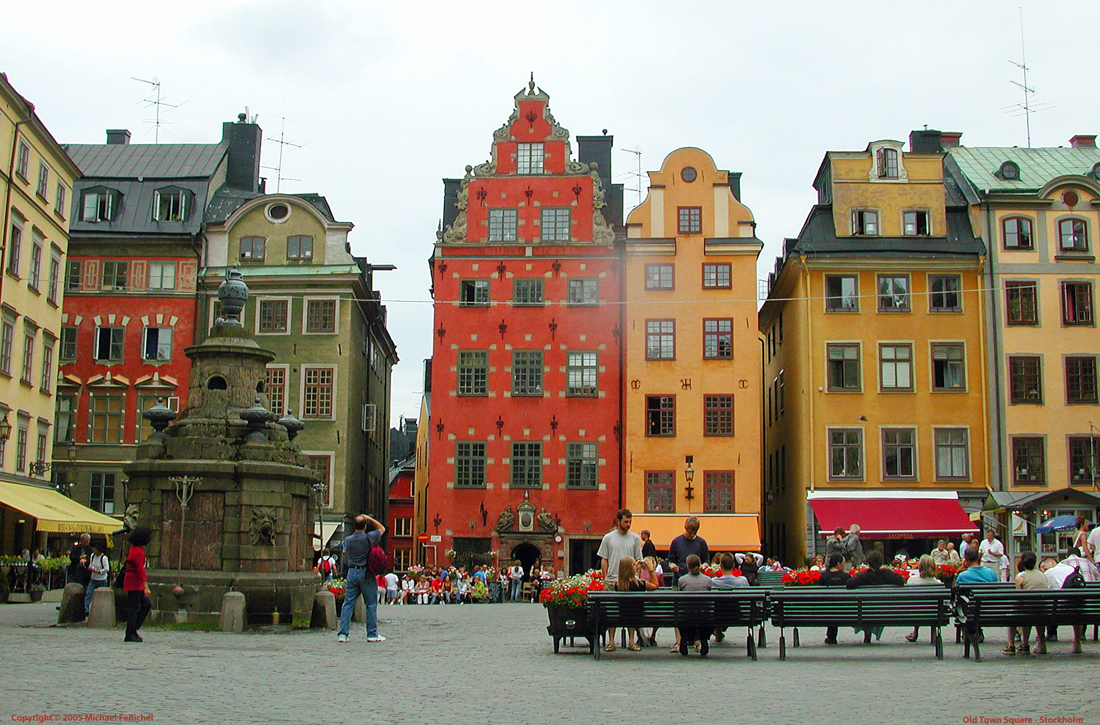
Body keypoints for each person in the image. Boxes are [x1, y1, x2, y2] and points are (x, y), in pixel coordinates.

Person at [334, 513, 387, 643]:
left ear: (353, 526)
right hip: (366, 573)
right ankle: (372, 634)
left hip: (352, 572)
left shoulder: (348, 540)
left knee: (348, 604)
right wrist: (369, 519)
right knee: (370, 604)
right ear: (364, 527)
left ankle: (343, 634)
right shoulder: (369, 538)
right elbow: (382, 528)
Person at [846, 550, 905, 641]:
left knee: (865, 608)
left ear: (868, 562)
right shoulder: (886, 574)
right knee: (874, 607)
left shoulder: (864, 576)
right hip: (882, 609)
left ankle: (867, 633)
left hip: (866, 610)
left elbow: (849, 584)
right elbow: (900, 581)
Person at [604, 556, 659, 653]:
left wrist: (634, 567)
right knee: (632, 612)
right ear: (631, 569)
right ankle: (631, 641)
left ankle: (611, 642)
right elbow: (655, 585)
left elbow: (627, 579)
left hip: (619, 616)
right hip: (637, 617)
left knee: (615, 612)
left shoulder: (617, 585)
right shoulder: (640, 584)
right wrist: (651, 570)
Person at [1004, 551, 1047, 656]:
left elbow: (1019, 598)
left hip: (1026, 611)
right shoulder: (1042, 575)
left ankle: (1011, 645)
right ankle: (1041, 643)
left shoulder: (1021, 576)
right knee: (1035, 614)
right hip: (1042, 610)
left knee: (1017, 614)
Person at [676, 554, 712, 656]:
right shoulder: (708, 580)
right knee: (704, 613)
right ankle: (703, 638)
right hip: (704, 617)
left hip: (686, 617)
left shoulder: (682, 580)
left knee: (684, 613)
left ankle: (684, 638)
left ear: (688, 566)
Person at [597, 509, 642, 588]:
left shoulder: (636, 538)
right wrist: (605, 577)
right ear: (618, 521)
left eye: (630, 522)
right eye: (626, 522)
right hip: (612, 580)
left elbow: (638, 560)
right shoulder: (608, 538)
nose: (628, 524)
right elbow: (604, 559)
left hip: (630, 581)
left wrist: (636, 578)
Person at [904, 555, 944, 643]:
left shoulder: (912, 581)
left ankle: (915, 631)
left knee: (917, 606)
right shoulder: (938, 584)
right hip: (934, 614)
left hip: (914, 613)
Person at [122, 527, 153, 643]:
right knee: (136, 608)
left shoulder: (133, 549)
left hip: (131, 579)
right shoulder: (139, 552)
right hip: (135, 581)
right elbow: (140, 570)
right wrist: (146, 586)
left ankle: (132, 630)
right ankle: (131, 631)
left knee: (141, 605)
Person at [819, 553, 851, 644]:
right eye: (843, 563)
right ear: (838, 564)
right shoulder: (846, 577)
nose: (844, 565)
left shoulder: (824, 576)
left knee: (831, 607)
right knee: (836, 606)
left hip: (826, 610)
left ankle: (831, 637)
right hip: (846, 610)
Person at [668, 516, 710, 584]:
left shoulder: (702, 542)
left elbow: (706, 561)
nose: (692, 535)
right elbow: (671, 561)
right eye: (690, 532)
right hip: (679, 579)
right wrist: (673, 566)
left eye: (695, 532)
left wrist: (703, 566)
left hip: (698, 580)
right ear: (686, 528)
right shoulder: (676, 542)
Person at [84, 543, 110, 615]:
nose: (94, 550)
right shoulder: (92, 556)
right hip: (93, 578)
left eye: (95, 549)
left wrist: (99, 571)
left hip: (101, 579)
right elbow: (91, 564)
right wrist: (90, 568)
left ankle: (101, 609)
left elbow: (107, 569)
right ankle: (86, 609)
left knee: (101, 595)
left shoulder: (104, 558)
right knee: (89, 593)